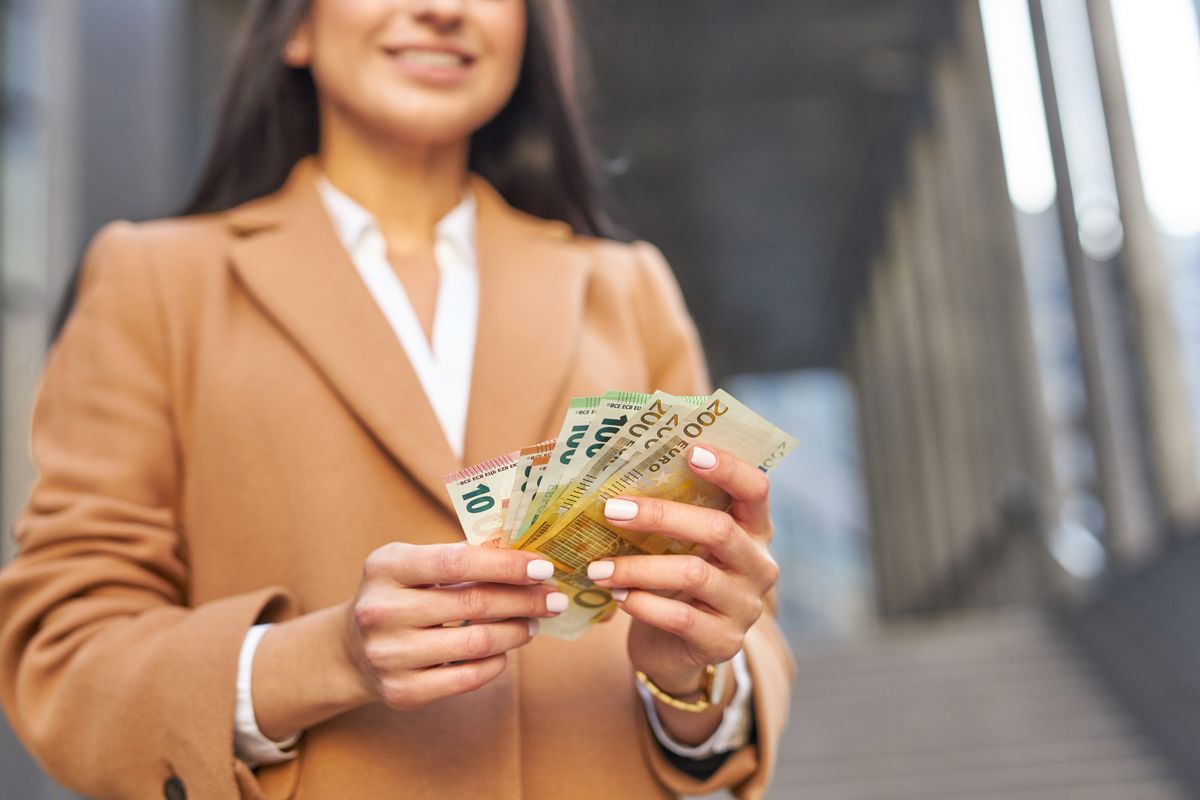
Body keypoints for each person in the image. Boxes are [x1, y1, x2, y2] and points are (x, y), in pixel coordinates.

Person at [0, 1, 794, 797]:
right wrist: (327, 658)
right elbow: (67, 651)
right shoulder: (154, 281)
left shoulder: (626, 288)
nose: (441, 9)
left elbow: (737, 638)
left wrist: (692, 681)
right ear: (298, 28)